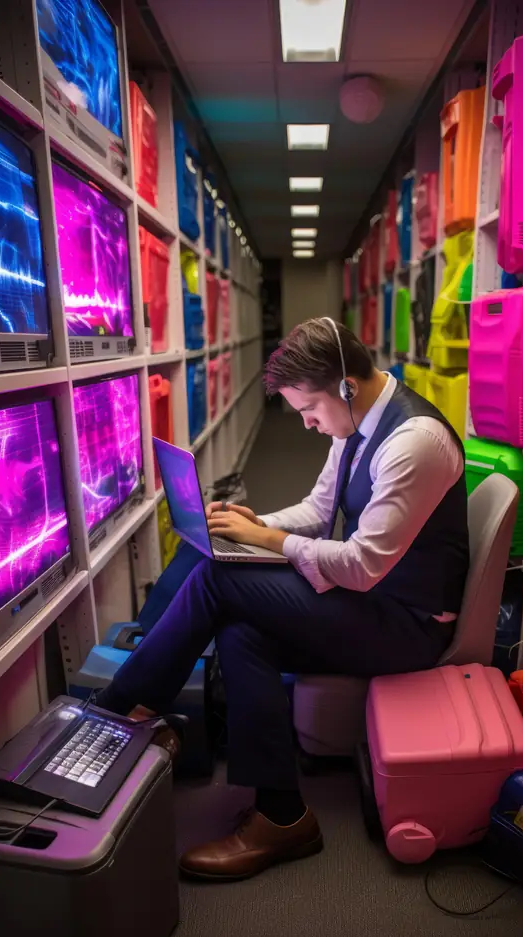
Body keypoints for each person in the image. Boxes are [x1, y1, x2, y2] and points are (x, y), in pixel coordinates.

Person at [96, 318, 469, 882]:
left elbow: (364, 566)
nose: (308, 424)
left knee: (219, 583)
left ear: (345, 386)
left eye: (309, 409)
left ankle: (119, 708)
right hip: (372, 602)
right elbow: (319, 511)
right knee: (241, 627)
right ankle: (282, 815)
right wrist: (257, 523)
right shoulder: (356, 425)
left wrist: (266, 542)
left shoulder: (415, 443)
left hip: (407, 624)